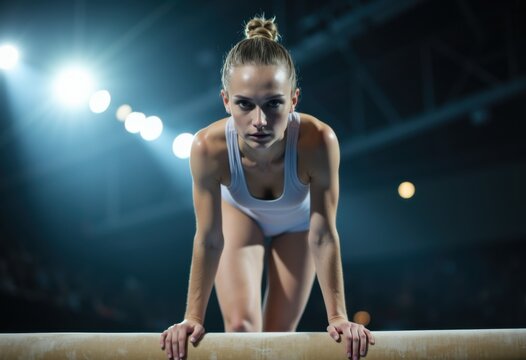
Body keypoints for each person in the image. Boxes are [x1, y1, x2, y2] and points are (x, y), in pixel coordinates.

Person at [160, 15, 375, 360]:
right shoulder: (207, 147)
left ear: (294, 100)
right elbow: (209, 237)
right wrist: (192, 318)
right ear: (226, 101)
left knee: (277, 340)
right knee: (243, 331)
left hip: (299, 226)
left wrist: (339, 317)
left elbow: (322, 234)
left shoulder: (319, 141)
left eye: (273, 103)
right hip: (239, 216)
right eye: (244, 104)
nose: (259, 121)